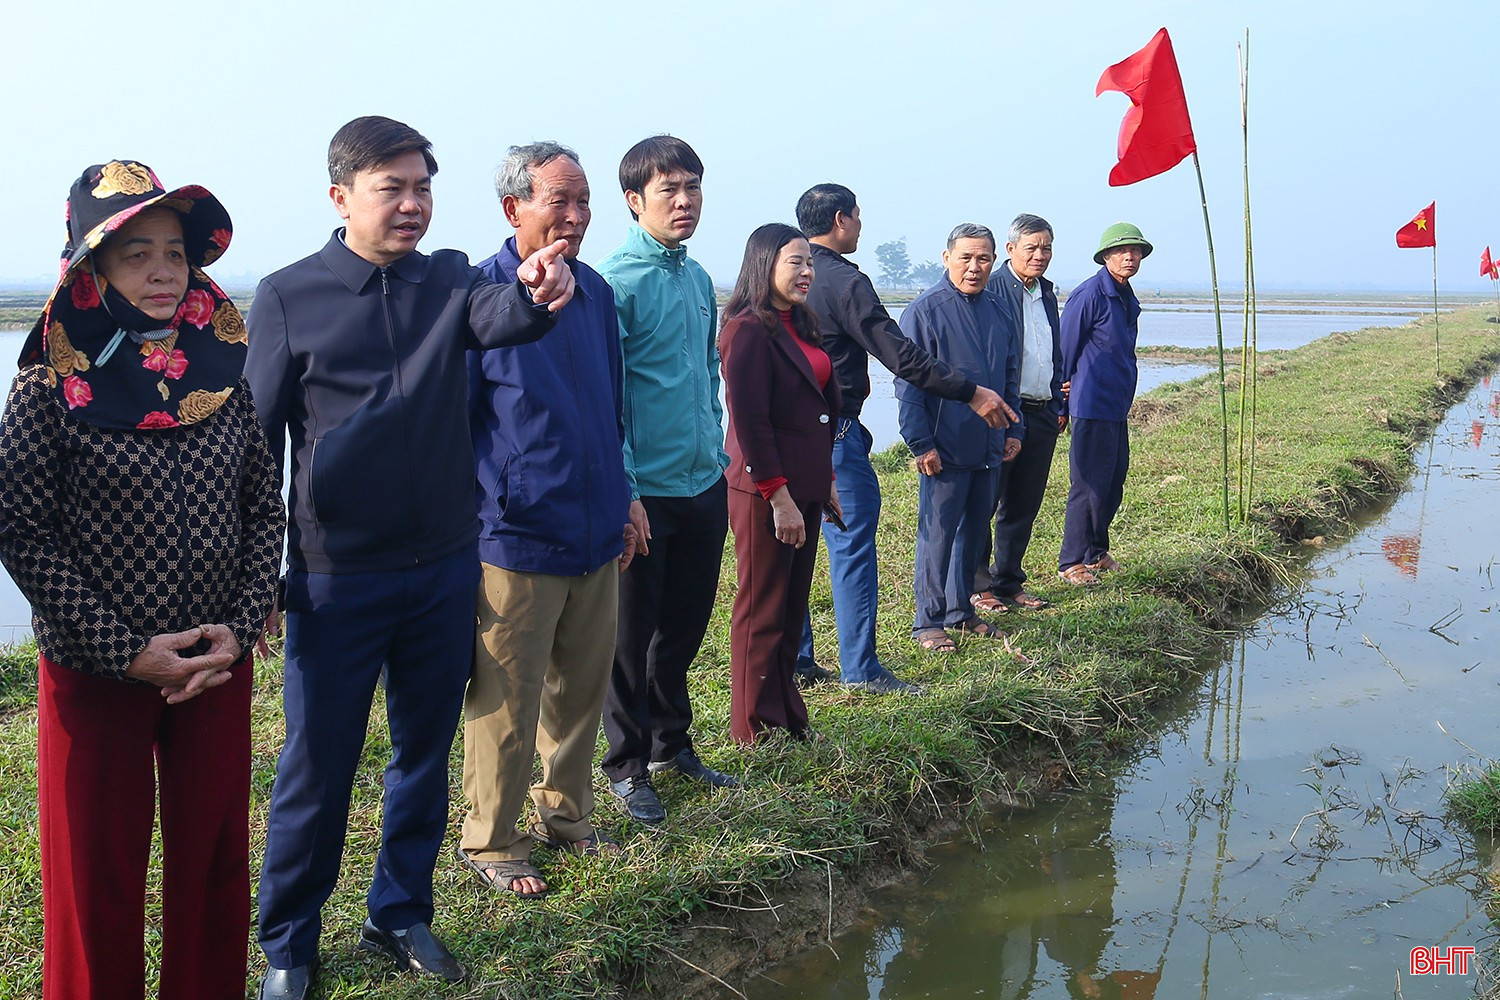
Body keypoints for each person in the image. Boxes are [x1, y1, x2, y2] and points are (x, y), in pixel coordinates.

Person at [245, 116, 575, 999]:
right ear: (340, 196)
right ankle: (290, 944)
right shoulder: (286, 296)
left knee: (422, 754)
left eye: (422, 187)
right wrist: (258, 577)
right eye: (392, 188)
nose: (412, 204)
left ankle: (399, 912)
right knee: (318, 765)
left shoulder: (450, 279)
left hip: (441, 568)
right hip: (331, 575)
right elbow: (253, 447)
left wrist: (538, 289)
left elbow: (499, 317)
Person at [0, 161, 284, 1000]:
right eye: (136, 255)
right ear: (89, 267)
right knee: (96, 875)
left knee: (211, 861)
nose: (163, 272)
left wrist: (236, 628)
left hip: (212, 665)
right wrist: (126, 651)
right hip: (97, 674)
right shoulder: (49, 385)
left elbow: (264, 509)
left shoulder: (219, 376)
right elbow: (20, 527)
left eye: (175, 253)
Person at [458, 142, 634, 900]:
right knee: (506, 696)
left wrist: (627, 497)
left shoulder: (593, 292)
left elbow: (612, 406)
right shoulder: (479, 297)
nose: (575, 215)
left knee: (582, 686)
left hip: (595, 525)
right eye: (558, 199)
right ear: (513, 210)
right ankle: (492, 838)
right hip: (516, 532)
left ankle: (567, 815)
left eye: (583, 200)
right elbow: (458, 421)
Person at [793, 184, 1012, 693]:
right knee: (850, 547)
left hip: (785, 436)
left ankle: (798, 658)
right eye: (859, 216)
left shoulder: (783, 275)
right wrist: (969, 391)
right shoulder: (846, 281)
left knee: (795, 546)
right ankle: (861, 669)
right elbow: (903, 358)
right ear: (843, 219)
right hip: (836, 432)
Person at [597, 135, 738, 826]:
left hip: (701, 482)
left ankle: (669, 745)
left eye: (693, 189)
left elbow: (707, 379)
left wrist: (717, 457)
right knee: (631, 637)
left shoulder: (695, 277)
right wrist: (625, 489)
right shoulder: (616, 282)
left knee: (683, 626)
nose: (685, 203)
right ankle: (625, 767)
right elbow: (609, 398)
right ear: (634, 201)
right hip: (644, 489)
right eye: (668, 192)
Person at [720, 224, 841, 743]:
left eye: (810, 263)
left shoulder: (801, 323)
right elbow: (749, 421)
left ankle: (786, 711)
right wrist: (779, 497)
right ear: (764, 264)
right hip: (767, 491)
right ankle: (751, 725)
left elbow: (815, 411)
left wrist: (826, 480)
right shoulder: (747, 329)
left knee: (793, 607)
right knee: (762, 606)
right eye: (795, 262)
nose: (807, 272)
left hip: (806, 485)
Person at [896, 224, 1022, 653]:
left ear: (994, 260)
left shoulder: (1000, 310)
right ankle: (927, 621)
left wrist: (1013, 428)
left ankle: (960, 612)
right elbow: (908, 383)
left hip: (989, 442)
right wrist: (920, 443)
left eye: (983, 258)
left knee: (974, 531)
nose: (974, 267)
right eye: (966, 257)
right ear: (946, 257)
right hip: (943, 442)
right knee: (938, 535)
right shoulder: (924, 311)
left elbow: (1010, 375)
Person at [973, 214, 1067, 613]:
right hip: (1004, 411)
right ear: (1010, 250)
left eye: (1046, 247)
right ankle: (978, 584)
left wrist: (1059, 395)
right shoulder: (993, 289)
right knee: (986, 499)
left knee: (1024, 502)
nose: (1039, 255)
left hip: (1042, 409)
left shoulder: (1045, 292)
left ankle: (1009, 580)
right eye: (1031, 247)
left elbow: (1049, 348)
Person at [1057, 223, 1151, 586]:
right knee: (1087, 484)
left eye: (1135, 251)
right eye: (1121, 251)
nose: (1129, 257)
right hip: (1089, 401)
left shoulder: (1127, 297)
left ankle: (1096, 552)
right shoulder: (1090, 294)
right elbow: (1065, 351)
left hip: (1116, 405)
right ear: (1105, 257)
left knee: (1113, 481)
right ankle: (1071, 560)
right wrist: (1060, 405)